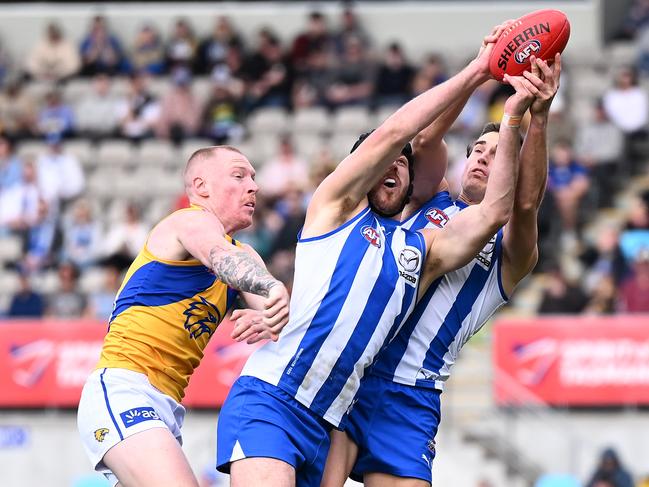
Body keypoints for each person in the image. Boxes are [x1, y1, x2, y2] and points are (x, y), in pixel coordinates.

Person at [216, 23, 534, 486]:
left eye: (402, 166)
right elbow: (398, 132)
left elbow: (496, 212)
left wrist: (515, 117)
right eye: (381, 160)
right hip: (273, 396)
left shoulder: (418, 249)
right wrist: (477, 71)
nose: (392, 166)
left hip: (332, 415)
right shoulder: (332, 208)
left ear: (411, 186)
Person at [321, 54, 561, 487]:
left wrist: (533, 118)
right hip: (355, 369)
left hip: (412, 395)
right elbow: (428, 138)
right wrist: (482, 69)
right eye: (477, 152)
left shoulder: (511, 250)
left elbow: (524, 203)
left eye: (496, 153)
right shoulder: (428, 200)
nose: (483, 159)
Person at [77, 146, 291, 487]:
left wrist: (275, 317)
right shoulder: (190, 221)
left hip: (167, 407)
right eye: (239, 176)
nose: (254, 186)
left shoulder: (246, 254)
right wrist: (271, 286)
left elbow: (280, 318)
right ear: (201, 186)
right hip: (125, 390)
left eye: (253, 177)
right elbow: (220, 257)